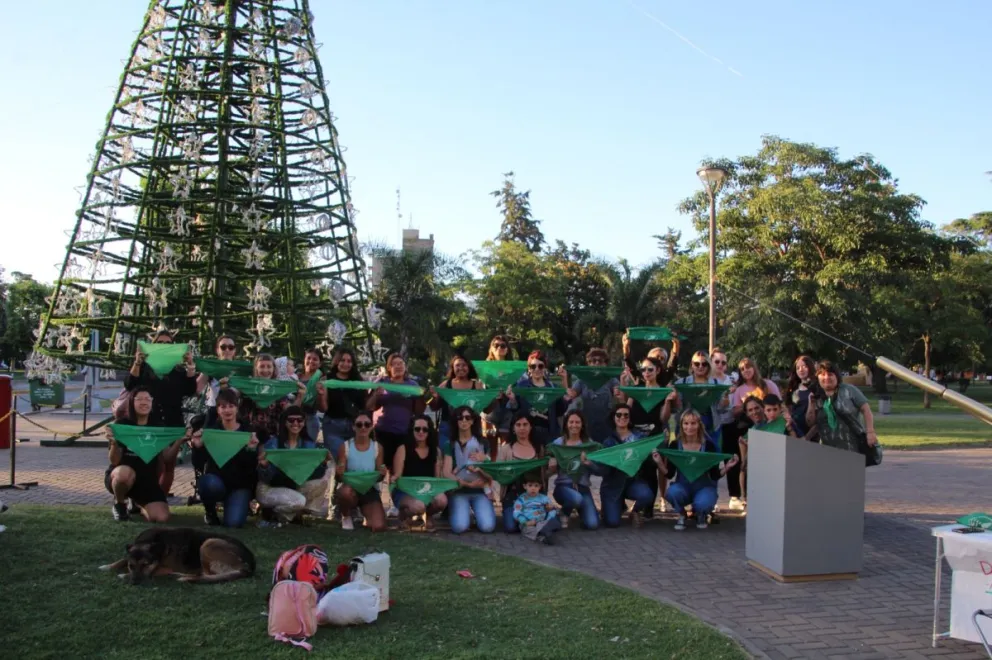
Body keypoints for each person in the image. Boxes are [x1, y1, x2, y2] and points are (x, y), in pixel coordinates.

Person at [124, 329, 197, 497]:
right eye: (160, 343)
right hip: (149, 421)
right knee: (148, 462)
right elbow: (130, 385)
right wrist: (137, 362)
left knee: (168, 464)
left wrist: (190, 366)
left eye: (168, 344)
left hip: (172, 420)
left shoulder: (178, 371)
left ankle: (160, 497)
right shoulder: (144, 368)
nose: (164, 346)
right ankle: (143, 497)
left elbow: (190, 389)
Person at [104, 387, 180, 523]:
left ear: (152, 403)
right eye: (139, 399)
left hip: (147, 480)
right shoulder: (122, 425)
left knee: (162, 518)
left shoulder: (158, 427)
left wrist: (180, 440)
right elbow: (114, 460)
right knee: (124, 474)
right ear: (131, 403)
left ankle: (138, 504)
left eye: (147, 399)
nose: (144, 402)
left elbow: (167, 457)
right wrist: (114, 443)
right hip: (123, 475)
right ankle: (119, 504)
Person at [190, 388, 260, 528]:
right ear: (217, 410)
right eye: (223, 406)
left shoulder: (247, 431)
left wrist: (251, 450)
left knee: (233, 523)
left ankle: (237, 504)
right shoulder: (211, 432)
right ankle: (210, 513)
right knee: (208, 483)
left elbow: (251, 468)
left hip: (239, 486)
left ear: (237, 408)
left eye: (231, 406)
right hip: (216, 482)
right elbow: (198, 464)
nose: (227, 410)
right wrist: (197, 447)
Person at [659, 409, 739, 531]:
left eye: (693, 423)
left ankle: (701, 514)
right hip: (683, 486)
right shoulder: (675, 445)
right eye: (686, 423)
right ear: (681, 425)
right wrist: (659, 462)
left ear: (699, 425)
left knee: (704, 503)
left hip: (704, 486)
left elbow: (714, 475)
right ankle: (681, 514)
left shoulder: (708, 446)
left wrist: (727, 467)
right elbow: (670, 474)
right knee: (672, 493)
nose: (689, 427)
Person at [256, 405, 332, 525]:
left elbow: (314, 475)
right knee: (299, 501)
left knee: (322, 482)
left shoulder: (309, 444)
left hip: (293, 486)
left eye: (299, 420)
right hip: (270, 488)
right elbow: (266, 479)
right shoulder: (274, 443)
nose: (295, 423)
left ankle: (289, 515)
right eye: (291, 420)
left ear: (304, 422)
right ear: (284, 422)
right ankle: (273, 512)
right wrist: (264, 466)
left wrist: (323, 463)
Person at [367, 352, 426, 491]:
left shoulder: (412, 384)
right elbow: (369, 406)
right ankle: (375, 498)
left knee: (398, 469)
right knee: (380, 468)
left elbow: (419, 411)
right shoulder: (382, 382)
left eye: (401, 364)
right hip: (382, 432)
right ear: (389, 368)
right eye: (394, 364)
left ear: (405, 367)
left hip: (403, 433)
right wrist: (376, 394)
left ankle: (395, 500)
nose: (398, 367)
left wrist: (420, 396)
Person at [618, 355, 668, 516]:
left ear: (658, 370)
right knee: (633, 468)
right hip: (636, 436)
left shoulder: (662, 391)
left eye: (650, 369)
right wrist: (624, 389)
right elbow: (626, 412)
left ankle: (648, 508)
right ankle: (627, 503)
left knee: (650, 469)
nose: (646, 372)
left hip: (654, 436)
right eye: (643, 369)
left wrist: (667, 401)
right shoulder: (637, 389)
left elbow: (663, 419)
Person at [599, 403, 655, 528]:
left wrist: (652, 454)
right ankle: (618, 505)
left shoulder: (639, 438)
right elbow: (604, 469)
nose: (622, 417)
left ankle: (634, 511)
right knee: (612, 523)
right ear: (613, 417)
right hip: (612, 486)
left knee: (646, 495)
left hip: (632, 482)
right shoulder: (608, 441)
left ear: (630, 418)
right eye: (619, 415)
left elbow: (647, 460)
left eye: (626, 415)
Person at [805, 360, 878, 454]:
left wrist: (870, 432)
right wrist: (811, 404)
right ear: (818, 377)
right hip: (827, 449)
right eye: (822, 374)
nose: (826, 377)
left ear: (837, 376)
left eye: (830, 374)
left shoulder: (849, 390)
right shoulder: (816, 396)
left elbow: (866, 410)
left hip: (852, 447)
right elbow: (810, 423)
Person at [443, 406, 496, 534]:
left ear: (473, 421)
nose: (464, 421)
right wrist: (467, 484)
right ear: (456, 421)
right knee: (460, 527)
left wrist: (485, 461)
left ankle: (477, 514)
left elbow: (492, 474)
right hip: (459, 491)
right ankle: (461, 513)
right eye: (460, 418)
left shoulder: (483, 443)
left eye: (468, 417)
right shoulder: (449, 443)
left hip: (480, 491)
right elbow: (446, 473)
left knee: (488, 527)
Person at [391, 414, 447, 531]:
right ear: (412, 430)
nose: (421, 432)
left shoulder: (435, 451)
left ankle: (428, 515)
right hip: (404, 491)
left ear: (429, 431)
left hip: (427, 490)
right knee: (419, 506)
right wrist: (393, 478)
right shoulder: (403, 448)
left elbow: (437, 479)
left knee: (442, 500)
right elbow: (398, 476)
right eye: (417, 429)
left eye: (425, 429)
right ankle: (404, 515)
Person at [232, 353, 305, 443]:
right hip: (247, 436)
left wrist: (300, 396)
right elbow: (231, 399)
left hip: (272, 438)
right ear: (256, 368)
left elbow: (291, 411)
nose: (265, 370)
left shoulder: (278, 388)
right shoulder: (247, 385)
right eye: (262, 366)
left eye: (269, 366)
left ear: (274, 369)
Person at [334, 410, 387, 532]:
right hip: (351, 488)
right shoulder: (345, 446)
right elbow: (339, 478)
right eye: (359, 424)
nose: (363, 427)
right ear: (353, 427)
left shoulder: (377, 447)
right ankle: (346, 516)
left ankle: (365, 514)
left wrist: (382, 474)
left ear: (372, 426)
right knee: (345, 492)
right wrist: (338, 472)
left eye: (367, 424)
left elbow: (379, 477)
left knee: (379, 526)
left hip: (370, 489)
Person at [492, 411, 545, 533]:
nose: (522, 428)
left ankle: (530, 521)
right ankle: (528, 522)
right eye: (518, 425)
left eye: (525, 424)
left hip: (534, 497)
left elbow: (544, 475)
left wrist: (552, 468)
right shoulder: (506, 450)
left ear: (531, 427)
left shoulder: (539, 449)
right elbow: (499, 475)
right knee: (511, 528)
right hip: (512, 497)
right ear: (513, 428)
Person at [548, 410, 599, 530]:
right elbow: (548, 472)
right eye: (571, 422)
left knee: (592, 524)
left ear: (582, 425)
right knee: (576, 499)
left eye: (577, 422)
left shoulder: (589, 444)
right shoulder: (558, 443)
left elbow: (599, 471)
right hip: (563, 487)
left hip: (582, 488)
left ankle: (580, 511)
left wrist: (589, 463)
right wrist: (552, 467)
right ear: (566, 424)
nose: (574, 425)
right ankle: (562, 513)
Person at [562, 347, 621, 443]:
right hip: (587, 426)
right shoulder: (582, 381)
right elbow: (570, 395)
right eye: (593, 361)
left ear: (605, 364)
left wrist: (618, 389)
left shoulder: (611, 379)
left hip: (607, 425)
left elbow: (618, 394)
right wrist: (564, 379)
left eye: (600, 361)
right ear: (588, 363)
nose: (597, 363)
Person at [316, 347, 366, 458]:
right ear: (337, 361)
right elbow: (323, 408)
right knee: (336, 461)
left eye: (349, 361)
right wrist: (320, 394)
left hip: (354, 427)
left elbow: (364, 405)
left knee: (353, 461)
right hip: (333, 426)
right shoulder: (327, 379)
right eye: (342, 360)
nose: (345, 364)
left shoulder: (359, 381)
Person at [508, 350, 565, 447]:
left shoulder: (553, 387)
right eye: (533, 366)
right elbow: (515, 412)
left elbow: (561, 410)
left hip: (549, 434)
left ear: (545, 367)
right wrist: (512, 399)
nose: (537, 369)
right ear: (529, 369)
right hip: (527, 435)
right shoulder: (521, 386)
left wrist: (564, 392)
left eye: (540, 366)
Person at [428, 354, 483, 453]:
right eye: (457, 365)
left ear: (469, 367)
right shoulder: (445, 384)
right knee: (446, 457)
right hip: (447, 428)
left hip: (471, 429)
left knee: (471, 458)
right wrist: (435, 396)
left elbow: (484, 408)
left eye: (464, 365)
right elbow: (434, 407)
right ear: (453, 368)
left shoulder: (477, 385)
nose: (461, 368)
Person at [480, 335, 515, 458]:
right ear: (491, 349)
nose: (499, 348)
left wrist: (512, 393)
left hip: (507, 411)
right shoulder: (485, 368)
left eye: (503, 345)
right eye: (496, 345)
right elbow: (480, 390)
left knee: (506, 449)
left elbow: (519, 388)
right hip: (490, 412)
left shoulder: (513, 368)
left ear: (507, 349)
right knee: (491, 451)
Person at [196, 334, 239, 427]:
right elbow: (196, 389)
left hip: (234, 412)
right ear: (217, 350)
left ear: (234, 350)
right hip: (214, 411)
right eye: (223, 347)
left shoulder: (240, 369)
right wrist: (204, 370)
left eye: (231, 347)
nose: (227, 350)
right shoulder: (211, 368)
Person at [512, 473, 562, 545]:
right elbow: (517, 512)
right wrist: (525, 522)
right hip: (528, 522)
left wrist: (549, 515)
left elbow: (551, 509)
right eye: (530, 485)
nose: (533, 488)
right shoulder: (521, 500)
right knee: (528, 530)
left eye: (536, 486)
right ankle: (543, 537)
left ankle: (545, 531)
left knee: (546, 524)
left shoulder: (543, 498)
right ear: (524, 486)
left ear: (540, 487)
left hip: (542, 520)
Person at [783, 355, 819, 442]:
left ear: (810, 367)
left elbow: (820, 419)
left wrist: (806, 438)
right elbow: (790, 410)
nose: (801, 370)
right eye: (798, 368)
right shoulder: (793, 388)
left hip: (813, 437)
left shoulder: (817, 387)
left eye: (804, 366)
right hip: (795, 434)